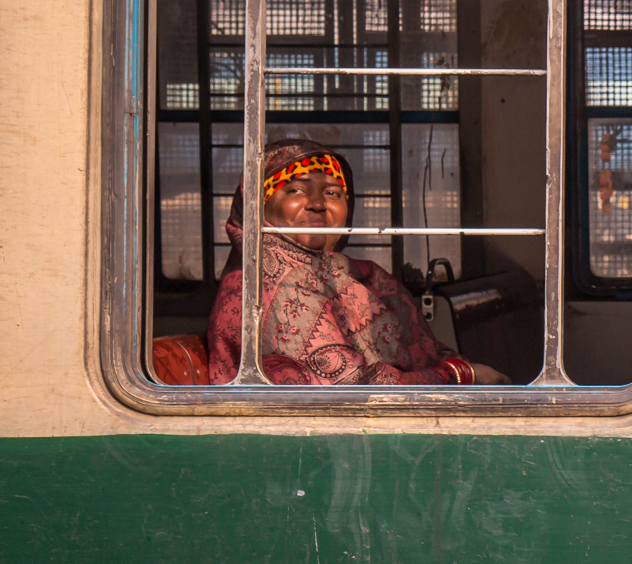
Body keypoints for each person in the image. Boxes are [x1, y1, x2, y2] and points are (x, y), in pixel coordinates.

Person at [207, 140, 507, 386]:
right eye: (295, 190)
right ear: (258, 204)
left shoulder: (348, 272)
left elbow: (425, 350)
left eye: (332, 193)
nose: (317, 204)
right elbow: (351, 389)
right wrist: (459, 374)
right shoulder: (275, 280)